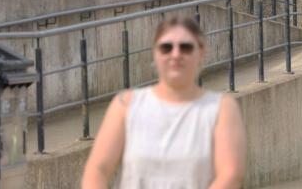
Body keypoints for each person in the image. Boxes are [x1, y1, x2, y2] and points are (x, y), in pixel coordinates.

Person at [81, 16, 246, 188]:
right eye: (166, 48)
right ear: (155, 53)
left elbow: (231, 173)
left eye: (186, 47)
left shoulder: (222, 108)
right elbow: (97, 169)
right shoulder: (126, 104)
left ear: (201, 52)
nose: (176, 55)